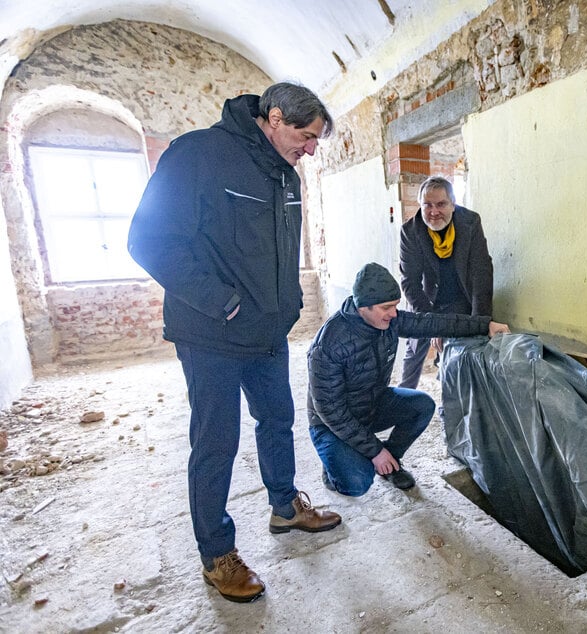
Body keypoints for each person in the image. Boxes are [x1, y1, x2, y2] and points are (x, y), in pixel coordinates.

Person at [127, 82, 342, 604]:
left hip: (267, 331)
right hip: (210, 333)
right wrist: (221, 300)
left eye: (316, 140)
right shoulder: (197, 154)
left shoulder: (285, 175)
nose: (311, 148)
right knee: (217, 443)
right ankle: (217, 554)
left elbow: (283, 252)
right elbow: (148, 241)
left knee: (278, 420)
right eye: (306, 136)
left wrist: (288, 302)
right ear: (273, 118)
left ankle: (285, 505)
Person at [307, 262, 510, 495]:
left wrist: (485, 325)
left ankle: (390, 463)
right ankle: (333, 471)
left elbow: (432, 322)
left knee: (421, 405)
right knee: (356, 483)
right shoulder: (329, 345)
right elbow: (331, 411)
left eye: (395, 306)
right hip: (331, 424)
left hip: (372, 405)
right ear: (364, 306)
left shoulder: (390, 321)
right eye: (386, 307)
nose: (393, 313)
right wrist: (374, 452)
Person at [398, 176, 494, 389]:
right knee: (414, 355)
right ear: (420, 205)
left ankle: (454, 408)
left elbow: (481, 273)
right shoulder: (410, 231)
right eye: (427, 205)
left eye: (441, 204)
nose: (434, 212)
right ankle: (402, 403)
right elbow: (410, 282)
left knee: (460, 355)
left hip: (461, 299)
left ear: (453, 204)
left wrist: (480, 322)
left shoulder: (470, 223)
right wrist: (431, 326)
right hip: (425, 301)